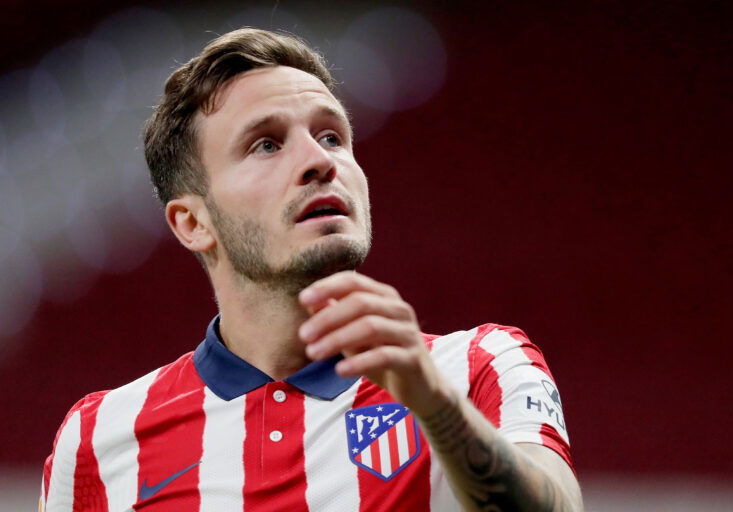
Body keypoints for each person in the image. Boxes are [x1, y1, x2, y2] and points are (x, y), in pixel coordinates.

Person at [40, 28, 583, 511]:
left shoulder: (479, 366)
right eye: (266, 144)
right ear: (192, 223)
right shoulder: (98, 439)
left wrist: (438, 409)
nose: (321, 161)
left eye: (331, 136)